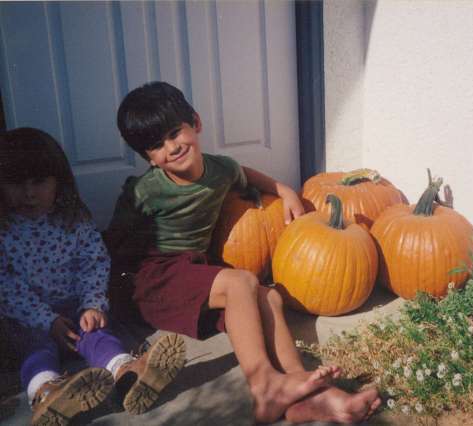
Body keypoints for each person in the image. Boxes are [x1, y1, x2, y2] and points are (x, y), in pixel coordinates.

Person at [104, 81, 381, 423]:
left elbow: (246, 175)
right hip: (153, 278)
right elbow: (115, 243)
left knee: (269, 297)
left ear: (196, 123)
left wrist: (286, 192)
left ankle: (305, 393)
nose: (172, 147)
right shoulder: (145, 191)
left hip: (191, 270)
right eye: (157, 146)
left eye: (175, 133)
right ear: (148, 157)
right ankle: (264, 387)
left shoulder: (220, 169)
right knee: (240, 283)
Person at [0, 128, 186, 425]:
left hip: (76, 308)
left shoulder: (73, 221)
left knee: (98, 334)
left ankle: (127, 373)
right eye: (16, 184)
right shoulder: (5, 229)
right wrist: (46, 320)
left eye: (39, 182)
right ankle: (47, 395)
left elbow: (94, 262)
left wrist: (92, 304)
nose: (29, 193)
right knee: (35, 347)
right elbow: (6, 288)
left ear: (58, 182)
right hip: (29, 317)